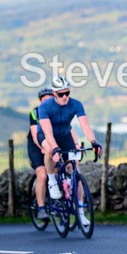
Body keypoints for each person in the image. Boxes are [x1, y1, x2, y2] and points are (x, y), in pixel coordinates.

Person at [37, 76, 102, 228]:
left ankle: (79, 211)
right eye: (61, 94)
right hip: (47, 136)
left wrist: (94, 142)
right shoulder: (45, 107)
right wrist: (54, 148)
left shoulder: (75, 104)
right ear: (54, 94)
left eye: (67, 93)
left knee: (75, 172)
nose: (65, 97)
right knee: (48, 150)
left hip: (65, 136)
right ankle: (52, 181)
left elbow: (85, 126)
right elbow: (47, 132)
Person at [27, 87, 54, 221]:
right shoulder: (35, 112)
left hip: (52, 143)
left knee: (58, 170)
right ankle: (41, 208)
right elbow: (34, 134)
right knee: (42, 175)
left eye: (50, 99)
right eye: (45, 100)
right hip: (37, 145)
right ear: (40, 101)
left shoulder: (57, 111)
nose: (47, 102)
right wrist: (43, 148)